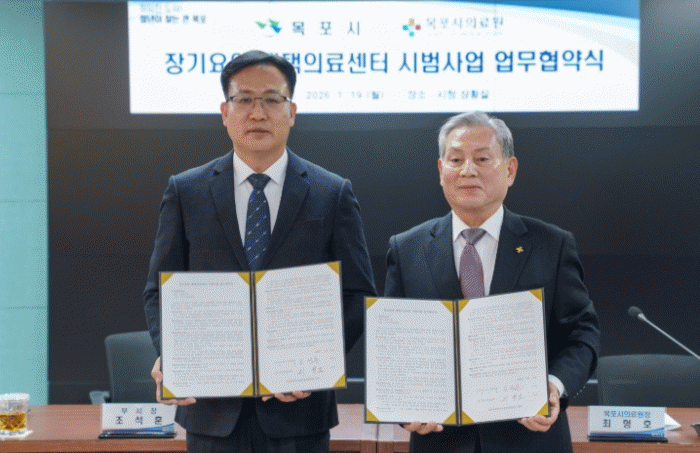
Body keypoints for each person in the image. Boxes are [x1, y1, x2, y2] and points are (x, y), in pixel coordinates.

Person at [143, 50, 376, 453]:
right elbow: (159, 290)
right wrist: (173, 353)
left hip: (298, 412)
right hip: (212, 410)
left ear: (292, 111)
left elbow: (357, 295)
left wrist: (313, 366)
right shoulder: (186, 191)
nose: (258, 113)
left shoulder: (331, 192)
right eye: (245, 99)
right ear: (225, 112)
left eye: (271, 99)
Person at [384, 111, 600, 453]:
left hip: (529, 439)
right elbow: (392, 347)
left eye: (482, 159)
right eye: (456, 159)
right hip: (440, 442)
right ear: (441, 170)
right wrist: (402, 405)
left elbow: (582, 335)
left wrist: (554, 385)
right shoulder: (407, 248)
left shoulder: (551, 245)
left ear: (510, 170)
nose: (467, 170)